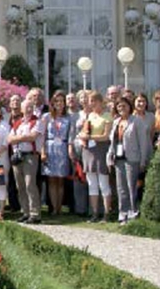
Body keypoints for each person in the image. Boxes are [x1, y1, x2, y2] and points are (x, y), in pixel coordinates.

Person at [110, 96, 150, 223]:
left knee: (131, 186)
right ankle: (123, 213)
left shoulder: (136, 121)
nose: (122, 108)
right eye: (119, 106)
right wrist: (110, 156)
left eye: (124, 106)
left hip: (133, 158)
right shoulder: (116, 122)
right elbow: (112, 141)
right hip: (118, 158)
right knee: (121, 187)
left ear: (129, 107)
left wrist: (143, 160)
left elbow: (143, 142)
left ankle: (134, 212)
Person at [7, 94, 45, 223]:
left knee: (30, 184)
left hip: (30, 156)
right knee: (20, 186)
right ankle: (25, 211)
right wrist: (23, 137)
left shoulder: (37, 121)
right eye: (26, 107)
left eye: (30, 107)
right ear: (22, 109)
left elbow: (33, 137)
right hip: (18, 156)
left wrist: (19, 138)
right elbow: (9, 139)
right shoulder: (18, 123)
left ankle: (35, 213)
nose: (28, 109)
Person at [77, 92, 112, 222]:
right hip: (89, 151)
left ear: (99, 102)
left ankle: (106, 213)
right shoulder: (90, 116)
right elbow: (84, 131)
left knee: (103, 183)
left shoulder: (107, 116)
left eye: (92, 101)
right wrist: (83, 136)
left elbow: (106, 136)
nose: (90, 103)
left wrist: (90, 137)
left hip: (101, 150)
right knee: (92, 183)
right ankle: (95, 212)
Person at [42, 92, 74, 216]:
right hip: (50, 148)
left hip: (62, 149)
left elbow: (70, 135)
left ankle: (59, 207)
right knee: (51, 180)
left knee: (60, 180)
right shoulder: (47, 117)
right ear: (53, 103)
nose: (59, 104)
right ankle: (54, 207)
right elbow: (42, 135)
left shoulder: (68, 118)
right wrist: (43, 151)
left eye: (62, 101)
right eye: (57, 101)